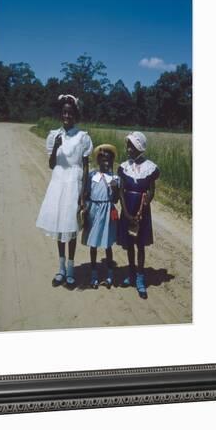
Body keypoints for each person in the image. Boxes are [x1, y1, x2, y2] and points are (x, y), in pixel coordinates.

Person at [36, 94, 93, 289]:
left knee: (71, 227)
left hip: (73, 185)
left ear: (75, 115)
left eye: (70, 113)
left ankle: (71, 268)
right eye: (64, 112)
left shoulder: (82, 137)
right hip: (58, 183)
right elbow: (52, 164)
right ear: (61, 114)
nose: (67, 115)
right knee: (60, 228)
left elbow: (85, 166)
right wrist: (56, 148)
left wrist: (84, 192)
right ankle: (60, 268)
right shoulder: (54, 135)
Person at [117, 131, 159, 299]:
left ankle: (141, 278)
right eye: (128, 145)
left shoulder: (150, 167)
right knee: (129, 244)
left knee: (140, 244)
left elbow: (151, 191)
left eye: (132, 146)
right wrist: (126, 213)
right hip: (128, 207)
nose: (128, 149)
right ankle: (131, 273)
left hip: (142, 211)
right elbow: (121, 191)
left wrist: (145, 204)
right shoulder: (124, 167)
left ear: (139, 147)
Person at [82, 145, 119, 289]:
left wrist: (115, 188)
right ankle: (94, 274)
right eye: (102, 159)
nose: (105, 162)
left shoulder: (115, 178)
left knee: (107, 244)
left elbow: (115, 199)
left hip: (108, 211)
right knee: (94, 244)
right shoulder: (92, 175)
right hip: (94, 211)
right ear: (98, 160)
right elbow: (86, 193)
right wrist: (84, 208)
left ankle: (110, 275)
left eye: (108, 160)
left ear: (112, 161)